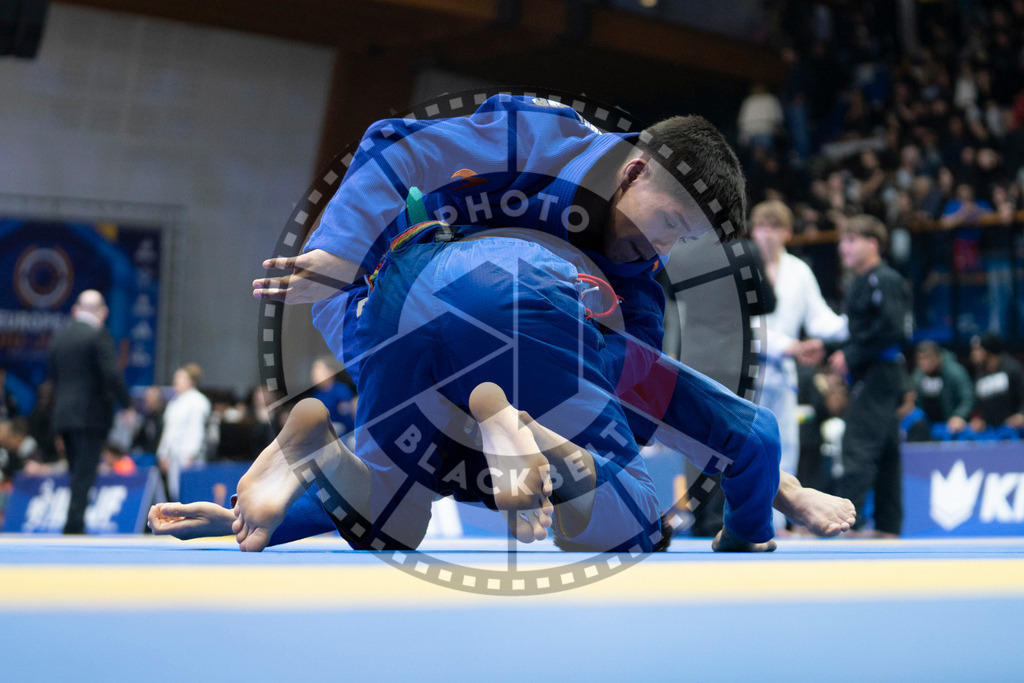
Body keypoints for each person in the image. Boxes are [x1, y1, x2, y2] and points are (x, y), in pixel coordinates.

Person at [237, 95, 854, 552]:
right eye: (667, 219)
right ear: (634, 170)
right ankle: (519, 428)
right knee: (631, 518)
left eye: (682, 239)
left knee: (395, 518)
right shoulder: (550, 135)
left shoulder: (639, 293)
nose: (662, 244)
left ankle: (310, 461)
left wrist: (254, 522)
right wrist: (346, 251)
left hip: (410, 336)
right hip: (414, 286)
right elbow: (398, 143)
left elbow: (629, 408)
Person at [749, 199, 848, 531]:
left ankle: (777, 525)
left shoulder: (799, 271)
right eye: (763, 227)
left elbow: (820, 319)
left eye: (776, 227)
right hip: (745, 368)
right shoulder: (744, 267)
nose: (769, 235)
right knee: (748, 444)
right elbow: (737, 325)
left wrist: (853, 325)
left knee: (784, 446)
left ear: (788, 232)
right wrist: (790, 346)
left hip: (783, 373)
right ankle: (754, 522)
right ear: (752, 230)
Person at [825, 215, 909, 538]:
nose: (843, 247)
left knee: (856, 445)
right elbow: (860, 331)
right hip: (877, 372)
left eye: (851, 240)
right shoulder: (861, 281)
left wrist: (850, 355)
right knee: (886, 451)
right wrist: (830, 347)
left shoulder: (884, 279)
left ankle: (849, 524)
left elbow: (892, 329)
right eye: (842, 241)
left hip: (880, 373)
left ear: (872, 244)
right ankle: (889, 527)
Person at [48, 289, 131, 534]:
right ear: (103, 312)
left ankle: (73, 520)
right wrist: (126, 404)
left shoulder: (59, 338)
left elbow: (52, 378)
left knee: (75, 471)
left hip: (63, 414)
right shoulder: (98, 334)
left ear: (76, 310)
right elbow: (111, 373)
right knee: (84, 472)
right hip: (89, 415)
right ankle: (74, 524)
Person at [156, 363, 211, 500]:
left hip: (190, 457)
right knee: (175, 493)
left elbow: (197, 429)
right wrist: (163, 453)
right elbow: (168, 431)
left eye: (180, 378)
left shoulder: (198, 401)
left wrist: (191, 454)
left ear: (190, 381)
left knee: (192, 493)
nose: (176, 382)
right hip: (174, 456)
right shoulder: (173, 403)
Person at [901, 340, 974, 441]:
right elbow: (913, 401)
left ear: (938, 357)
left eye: (927, 358)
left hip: (950, 424)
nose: (923, 363)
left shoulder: (955, 373)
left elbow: (967, 398)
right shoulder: (917, 376)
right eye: (920, 359)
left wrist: (959, 416)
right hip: (927, 425)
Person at [966, 333, 1024, 439]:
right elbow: (978, 404)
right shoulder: (980, 376)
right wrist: (978, 419)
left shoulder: (1012, 369)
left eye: (977, 350)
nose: (973, 354)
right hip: (989, 431)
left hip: (1014, 430)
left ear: (989, 350)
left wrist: (1021, 414)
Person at [309, 355, 356, 436]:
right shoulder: (316, 394)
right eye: (313, 370)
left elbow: (348, 420)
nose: (313, 373)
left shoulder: (341, 391)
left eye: (318, 369)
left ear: (330, 372)